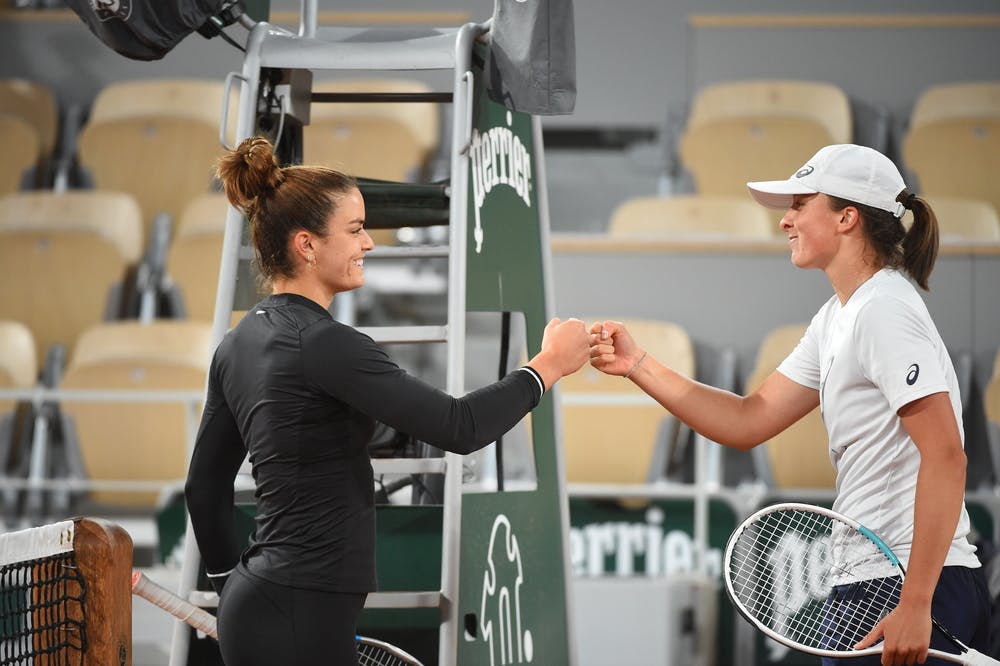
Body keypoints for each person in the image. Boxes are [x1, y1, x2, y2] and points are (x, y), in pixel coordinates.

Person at [184, 136, 590, 666]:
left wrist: (226, 583)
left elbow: (204, 484)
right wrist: (547, 367)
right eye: (354, 230)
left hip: (262, 604)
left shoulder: (238, 343)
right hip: (299, 612)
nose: (369, 243)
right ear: (307, 245)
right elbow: (459, 426)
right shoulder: (326, 343)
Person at [588, 144, 990, 665]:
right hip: (874, 582)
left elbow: (946, 456)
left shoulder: (884, 312)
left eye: (801, 204)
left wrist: (916, 603)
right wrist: (638, 363)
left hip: (913, 585)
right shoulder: (837, 316)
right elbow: (747, 419)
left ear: (848, 217)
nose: (786, 220)